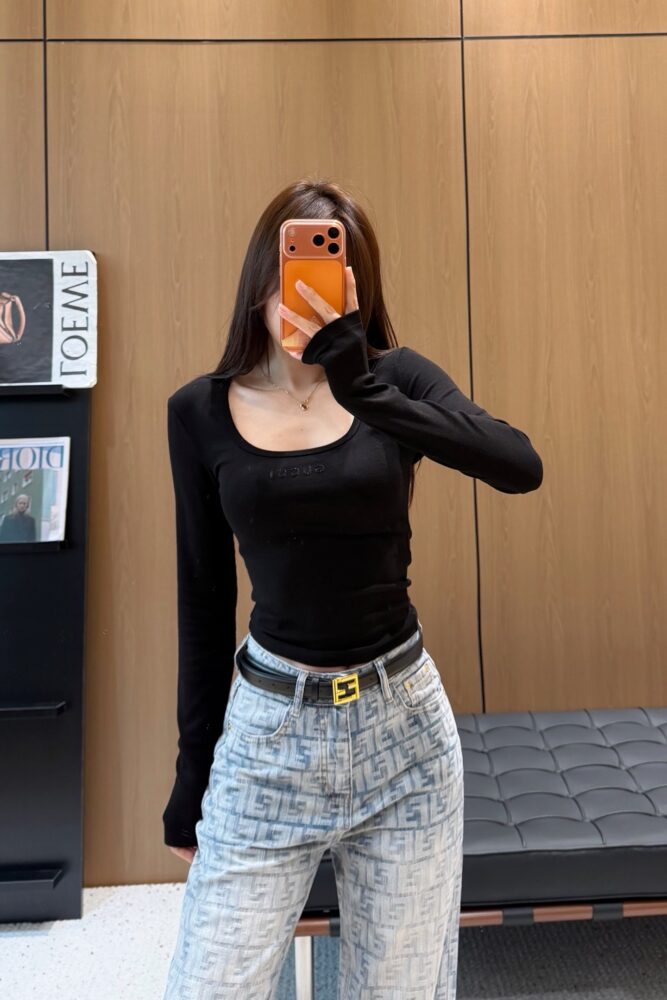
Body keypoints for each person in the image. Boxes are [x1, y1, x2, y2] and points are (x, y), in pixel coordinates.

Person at [161, 179, 543, 999]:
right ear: (261, 279)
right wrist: (192, 772)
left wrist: (360, 385)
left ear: (357, 289)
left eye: (331, 274)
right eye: (291, 270)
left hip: (405, 737)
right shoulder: (198, 411)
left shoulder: (394, 381)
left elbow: (518, 464)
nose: (305, 292)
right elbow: (202, 599)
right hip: (268, 738)